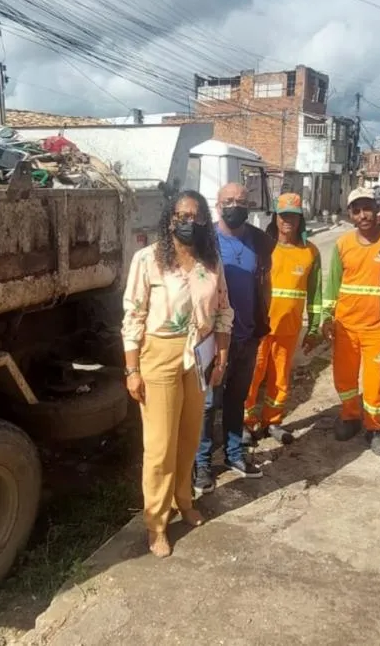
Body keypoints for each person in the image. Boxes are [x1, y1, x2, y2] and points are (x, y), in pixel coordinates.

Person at [122, 190, 233, 557]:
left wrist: (221, 357)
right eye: (181, 216)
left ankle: (183, 500)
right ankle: (156, 524)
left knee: (189, 437)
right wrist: (132, 369)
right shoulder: (148, 260)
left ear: (204, 222)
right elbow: (133, 316)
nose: (188, 222)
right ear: (169, 219)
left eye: (196, 216)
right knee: (159, 446)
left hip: (198, 355)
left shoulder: (211, 261)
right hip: (160, 355)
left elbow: (222, 312)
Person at [193, 183, 274, 495]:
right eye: (228, 201)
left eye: (241, 201)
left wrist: (261, 319)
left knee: (236, 398)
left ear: (249, 205)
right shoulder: (205, 241)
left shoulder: (260, 241)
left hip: (247, 336)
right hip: (213, 339)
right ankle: (201, 464)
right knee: (207, 403)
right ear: (217, 205)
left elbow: (264, 282)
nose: (235, 206)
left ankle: (233, 454)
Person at [243, 193, 323, 444]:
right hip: (259, 328)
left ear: (301, 220)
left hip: (288, 329)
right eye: (284, 215)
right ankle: (245, 424)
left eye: (294, 216)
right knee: (252, 376)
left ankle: (272, 422)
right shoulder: (263, 247)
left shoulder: (310, 252)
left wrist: (314, 329)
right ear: (276, 217)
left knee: (280, 378)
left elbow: (316, 294)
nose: (288, 220)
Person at [321, 187, 380, 455]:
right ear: (350, 214)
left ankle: (374, 428)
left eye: (368, 208)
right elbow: (332, 286)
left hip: (377, 327)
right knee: (345, 377)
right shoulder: (342, 244)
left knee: (375, 381)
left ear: (377, 209)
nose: (363, 215)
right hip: (346, 326)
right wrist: (327, 317)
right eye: (357, 210)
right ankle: (350, 416)